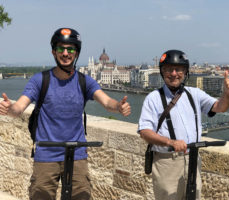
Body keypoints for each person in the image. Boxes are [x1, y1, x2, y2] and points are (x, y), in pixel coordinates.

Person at [0, 28, 131, 200]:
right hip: (47, 153)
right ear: (54, 52)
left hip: (76, 153)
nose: (66, 53)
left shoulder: (85, 81)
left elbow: (106, 103)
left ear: (76, 53)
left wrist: (118, 107)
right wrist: (10, 109)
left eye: (71, 49)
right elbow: (20, 107)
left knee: (80, 195)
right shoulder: (40, 80)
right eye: (61, 49)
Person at [138, 49, 229, 199]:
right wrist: (169, 142)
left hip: (192, 160)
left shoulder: (194, 94)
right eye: (169, 69)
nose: (174, 73)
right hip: (167, 162)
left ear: (185, 72)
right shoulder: (154, 98)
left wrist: (227, 94)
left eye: (178, 69)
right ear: (162, 72)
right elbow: (145, 132)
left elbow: (220, 107)